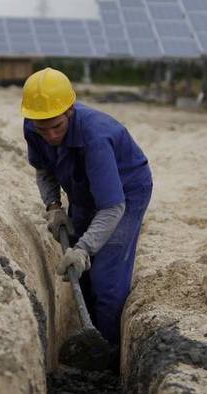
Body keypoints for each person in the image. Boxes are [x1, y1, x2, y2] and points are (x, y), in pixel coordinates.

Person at [21, 67, 152, 352]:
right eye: (43, 129)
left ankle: (108, 352)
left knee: (105, 273)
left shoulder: (96, 138)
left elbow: (112, 206)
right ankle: (87, 329)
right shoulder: (34, 126)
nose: (51, 135)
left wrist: (83, 248)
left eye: (57, 126)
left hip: (125, 193)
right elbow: (44, 170)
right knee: (85, 273)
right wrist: (54, 207)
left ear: (69, 111)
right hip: (81, 185)